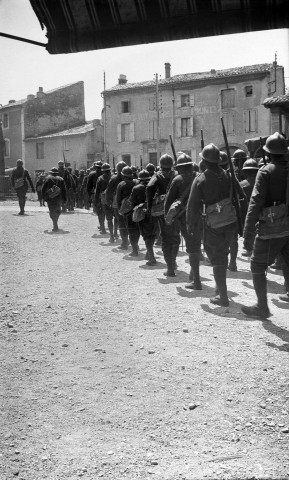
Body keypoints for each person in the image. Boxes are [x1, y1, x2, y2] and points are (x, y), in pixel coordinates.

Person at [187, 143, 244, 306]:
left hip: (212, 224)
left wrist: (191, 226)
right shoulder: (229, 175)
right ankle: (220, 289)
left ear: (204, 160)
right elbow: (241, 198)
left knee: (217, 257)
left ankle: (223, 296)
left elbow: (192, 207)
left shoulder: (200, 179)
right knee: (223, 254)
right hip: (230, 223)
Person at [241, 132, 289, 319]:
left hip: (272, 226)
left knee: (257, 265)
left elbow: (255, 203)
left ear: (268, 153)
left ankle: (262, 307)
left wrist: (247, 232)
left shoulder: (265, 171)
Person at [164, 153, 202, 287]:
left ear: (179, 168)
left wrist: (167, 218)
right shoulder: (199, 177)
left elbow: (168, 202)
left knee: (190, 247)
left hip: (184, 218)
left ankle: (196, 281)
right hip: (201, 216)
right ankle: (193, 274)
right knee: (195, 247)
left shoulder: (177, 180)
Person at [146, 154, 177, 276]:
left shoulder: (158, 175)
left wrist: (149, 205)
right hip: (178, 207)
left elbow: (149, 187)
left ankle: (170, 268)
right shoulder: (177, 174)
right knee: (176, 236)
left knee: (166, 238)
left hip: (163, 209)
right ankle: (173, 262)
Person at [129, 169, 158, 265]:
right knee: (152, 233)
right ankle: (148, 253)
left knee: (146, 235)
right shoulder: (154, 187)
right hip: (154, 212)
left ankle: (151, 257)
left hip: (142, 214)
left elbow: (132, 201)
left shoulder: (136, 188)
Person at [116, 166, 139, 253]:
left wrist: (119, 210)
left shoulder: (121, 184)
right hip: (136, 209)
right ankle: (135, 245)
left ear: (123, 175)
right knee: (136, 228)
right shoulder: (137, 182)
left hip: (125, 210)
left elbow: (118, 199)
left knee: (124, 227)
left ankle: (125, 244)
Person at [239, 159, 259, 257]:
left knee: (248, 229)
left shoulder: (242, 184)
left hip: (247, 209)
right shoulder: (262, 181)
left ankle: (248, 248)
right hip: (260, 208)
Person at [106, 161, 127, 242]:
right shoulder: (127, 177)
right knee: (122, 219)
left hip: (115, 201)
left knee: (116, 218)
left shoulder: (113, 178)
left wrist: (109, 201)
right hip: (125, 201)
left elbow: (108, 191)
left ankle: (113, 235)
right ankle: (117, 234)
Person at [42, 167, 67, 232]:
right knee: (58, 210)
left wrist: (43, 197)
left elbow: (43, 189)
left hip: (50, 197)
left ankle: (54, 223)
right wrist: (65, 198)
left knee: (51, 210)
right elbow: (64, 190)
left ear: (51, 172)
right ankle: (56, 223)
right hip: (58, 198)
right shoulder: (61, 179)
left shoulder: (47, 178)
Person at [94, 163, 113, 238]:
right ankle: (114, 232)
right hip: (112, 198)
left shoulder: (100, 178)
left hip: (103, 199)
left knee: (103, 215)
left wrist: (96, 201)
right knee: (115, 217)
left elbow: (97, 191)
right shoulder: (113, 177)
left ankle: (104, 230)